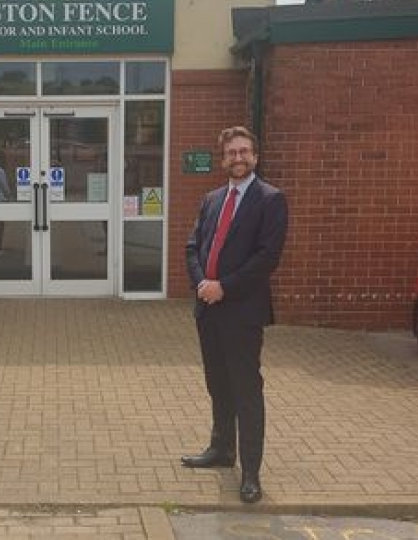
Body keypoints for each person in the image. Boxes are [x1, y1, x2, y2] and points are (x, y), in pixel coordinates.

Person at [182, 126, 288, 503]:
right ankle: (222, 449)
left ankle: (252, 473)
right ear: (223, 158)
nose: (238, 158)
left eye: (244, 151)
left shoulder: (270, 200)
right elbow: (193, 246)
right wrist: (201, 284)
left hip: (242, 312)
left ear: (255, 157)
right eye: (232, 153)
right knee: (218, 384)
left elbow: (267, 258)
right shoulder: (211, 199)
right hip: (207, 309)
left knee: (246, 391)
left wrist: (223, 285)